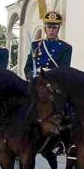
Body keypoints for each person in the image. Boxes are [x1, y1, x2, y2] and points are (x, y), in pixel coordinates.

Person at [24, 9, 73, 154]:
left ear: (58, 29)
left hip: (53, 84)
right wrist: (31, 76)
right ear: (45, 28)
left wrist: (46, 78)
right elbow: (27, 66)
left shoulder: (65, 47)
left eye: (54, 27)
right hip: (36, 83)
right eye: (49, 27)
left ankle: (64, 141)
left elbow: (63, 69)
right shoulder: (36, 45)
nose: (51, 30)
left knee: (66, 108)